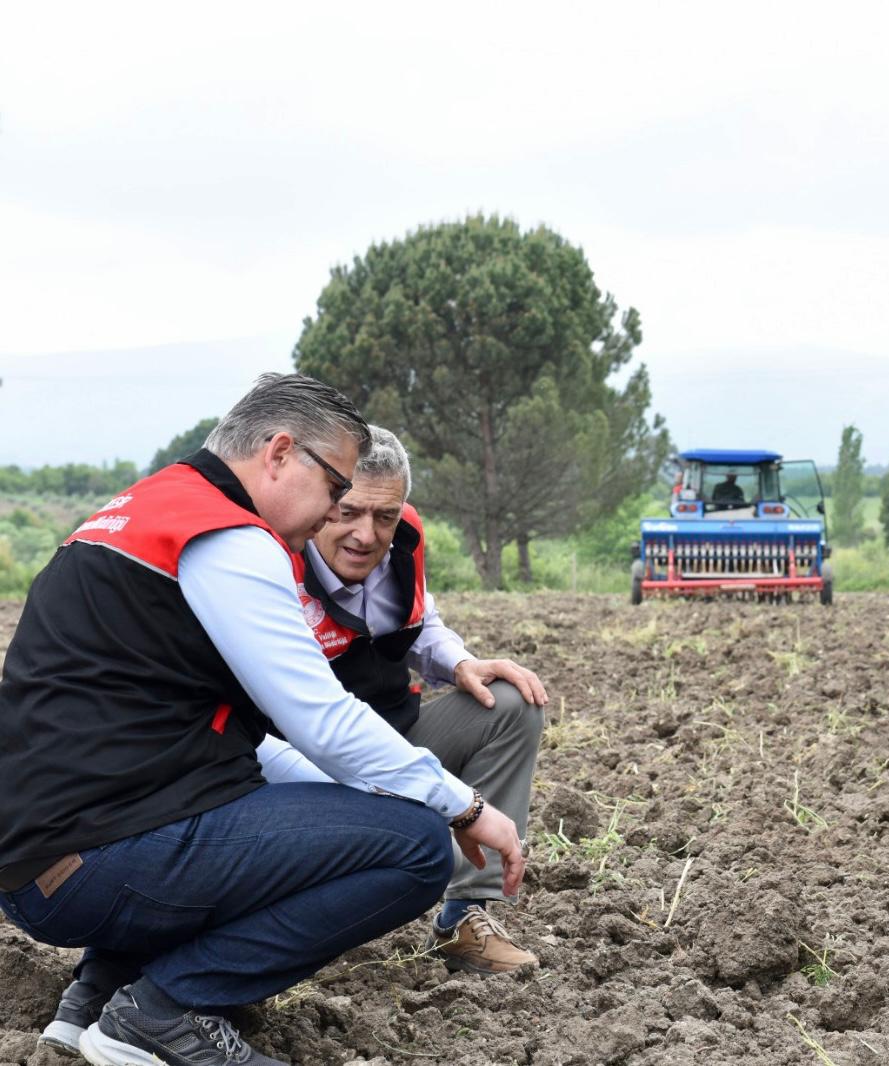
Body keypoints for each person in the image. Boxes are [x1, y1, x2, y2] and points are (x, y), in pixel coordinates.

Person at [0, 374, 523, 1066]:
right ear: (279, 453)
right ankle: (162, 1012)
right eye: (335, 488)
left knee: (282, 811)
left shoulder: (142, 511)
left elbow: (242, 738)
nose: (334, 512)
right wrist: (464, 806)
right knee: (415, 847)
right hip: (96, 858)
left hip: (46, 855)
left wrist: (352, 804)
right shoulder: (230, 539)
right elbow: (320, 718)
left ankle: (101, 996)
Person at [262, 426, 547, 976]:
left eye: (385, 516)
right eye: (349, 512)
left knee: (511, 702)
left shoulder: (403, 543)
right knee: (411, 834)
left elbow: (418, 617)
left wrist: (461, 663)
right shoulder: (275, 565)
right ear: (323, 501)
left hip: (394, 739)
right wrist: (437, 799)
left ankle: (463, 917)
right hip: (302, 769)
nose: (365, 535)